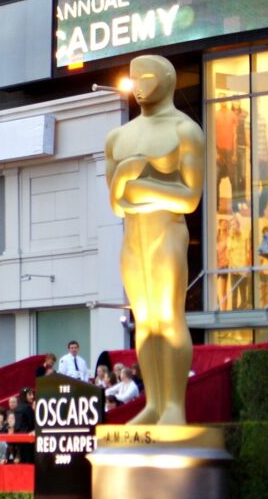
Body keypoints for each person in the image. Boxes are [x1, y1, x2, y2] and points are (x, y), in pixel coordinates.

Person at [105, 54, 205, 426]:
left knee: (168, 317)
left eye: (147, 77)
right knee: (144, 321)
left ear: (167, 79)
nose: (140, 85)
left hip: (166, 234)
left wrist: (138, 180)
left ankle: (174, 406)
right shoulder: (119, 136)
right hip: (133, 238)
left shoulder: (185, 130)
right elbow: (117, 203)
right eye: (134, 78)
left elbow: (189, 197)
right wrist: (130, 177)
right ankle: (155, 403)